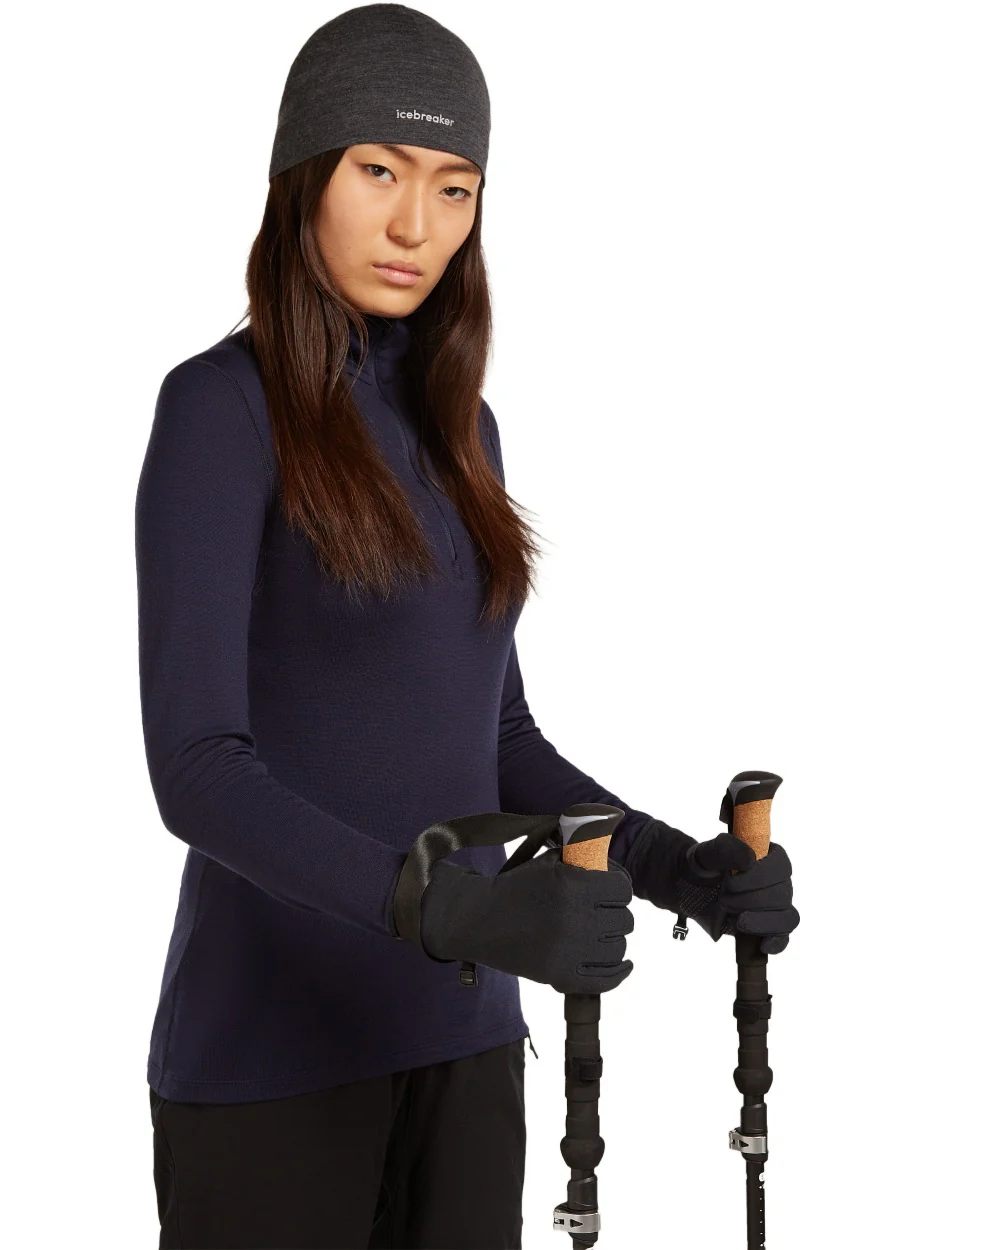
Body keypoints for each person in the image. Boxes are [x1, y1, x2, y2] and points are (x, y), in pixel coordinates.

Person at [135, 6, 799, 1248]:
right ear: (301, 176)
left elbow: (495, 736)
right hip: (271, 1067)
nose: (415, 226)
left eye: (454, 186)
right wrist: (440, 904)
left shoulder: (462, 429)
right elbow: (197, 769)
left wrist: (674, 868)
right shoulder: (219, 411)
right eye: (377, 170)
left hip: (469, 1047)